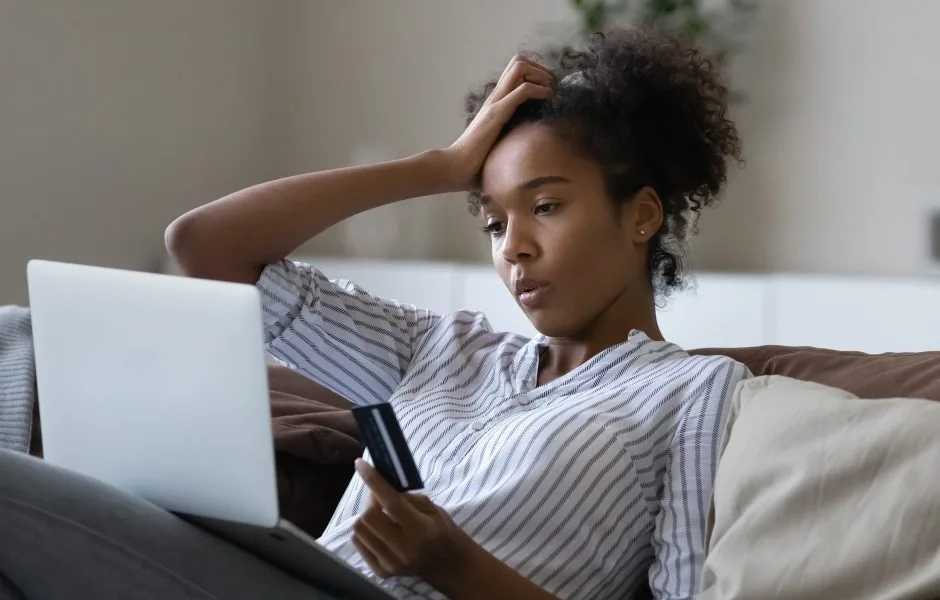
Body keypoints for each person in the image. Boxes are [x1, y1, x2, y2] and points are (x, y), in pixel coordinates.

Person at [0, 27, 749, 600]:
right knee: (15, 337)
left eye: (546, 207)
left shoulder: (694, 391)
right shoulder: (439, 348)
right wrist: (439, 166)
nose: (513, 248)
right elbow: (204, 247)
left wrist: (455, 565)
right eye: (491, 222)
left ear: (642, 214)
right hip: (278, 575)